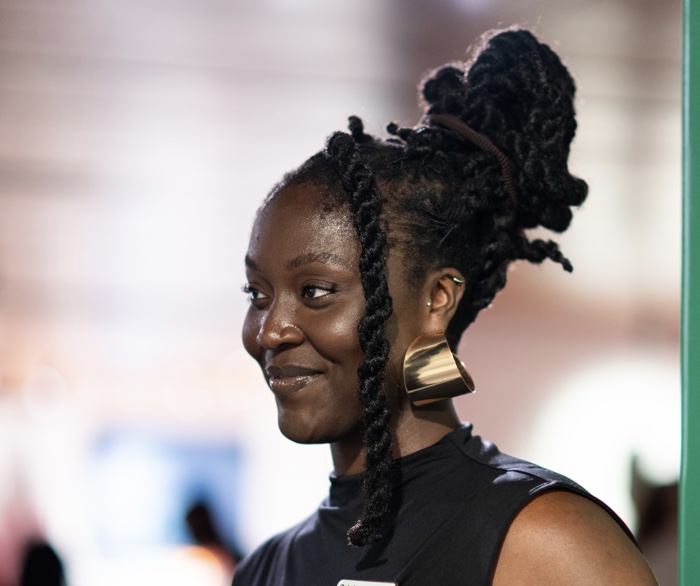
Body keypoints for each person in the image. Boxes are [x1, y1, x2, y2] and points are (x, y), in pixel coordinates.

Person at [233, 28, 658, 585]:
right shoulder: (267, 569)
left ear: (437, 300)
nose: (271, 330)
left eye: (316, 291)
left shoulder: (544, 539)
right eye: (257, 295)